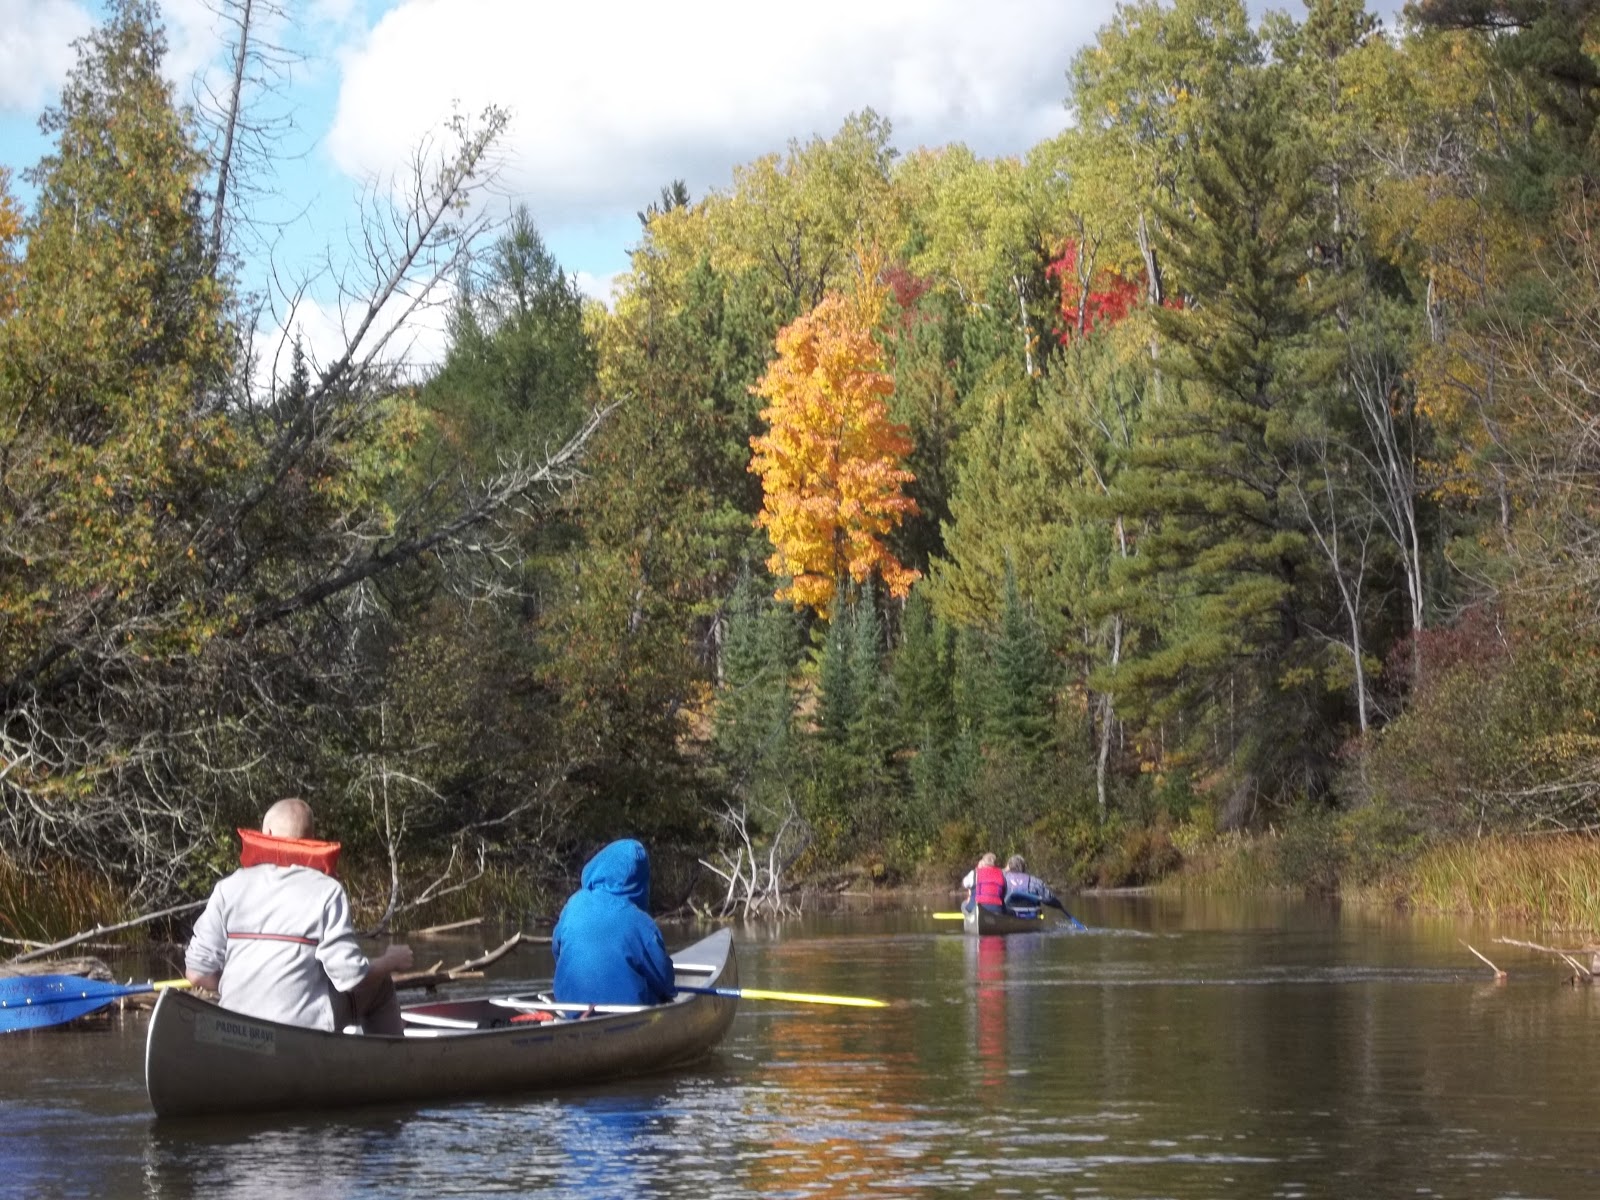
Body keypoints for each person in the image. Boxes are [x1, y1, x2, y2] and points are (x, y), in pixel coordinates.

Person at [184, 797, 414, 1034]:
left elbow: (196, 973)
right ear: (310, 840)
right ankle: (388, 1063)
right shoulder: (326, 890)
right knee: (381, 985)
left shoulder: (229, 887)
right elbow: (351, 977)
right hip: (302, 1032)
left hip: (235, 1027)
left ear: (267, 832)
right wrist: (389, 962)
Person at [551, 838, 675, 1006]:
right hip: (626, 1010)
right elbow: (664, 980)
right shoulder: (641, 922)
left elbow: (558, 951)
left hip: (570, 1006)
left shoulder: (574, 903)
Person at [1002, 854, 1061, 918]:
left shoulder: (1001, 878)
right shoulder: (1035, 881)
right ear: (1024, 867)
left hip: (1006, 914)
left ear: (1009, 866)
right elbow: (1050, 898)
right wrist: (1058, 904)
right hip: (1030, 915)